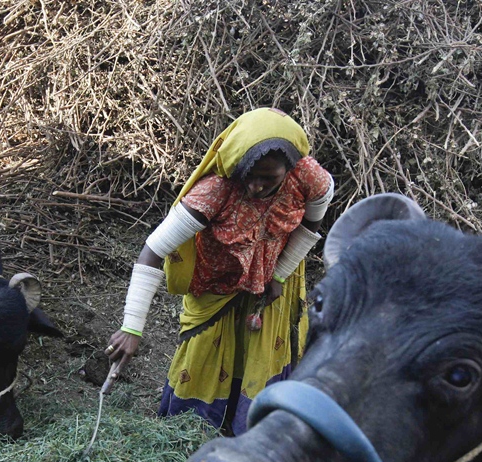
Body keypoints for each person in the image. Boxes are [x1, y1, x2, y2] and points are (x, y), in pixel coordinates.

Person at [106, 107, 334, 435]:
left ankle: (251, 431)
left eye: (268, 179)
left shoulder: (308, 178)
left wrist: (280, 274)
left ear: (290, 169)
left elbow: (312, 224)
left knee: (260, 352)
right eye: (249, 176)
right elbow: (153, 251)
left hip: (275, 276)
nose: (256, 187)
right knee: (202, 355)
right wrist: (132, 327)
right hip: (217, 282)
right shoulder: (215, 191)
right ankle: (188, 432)